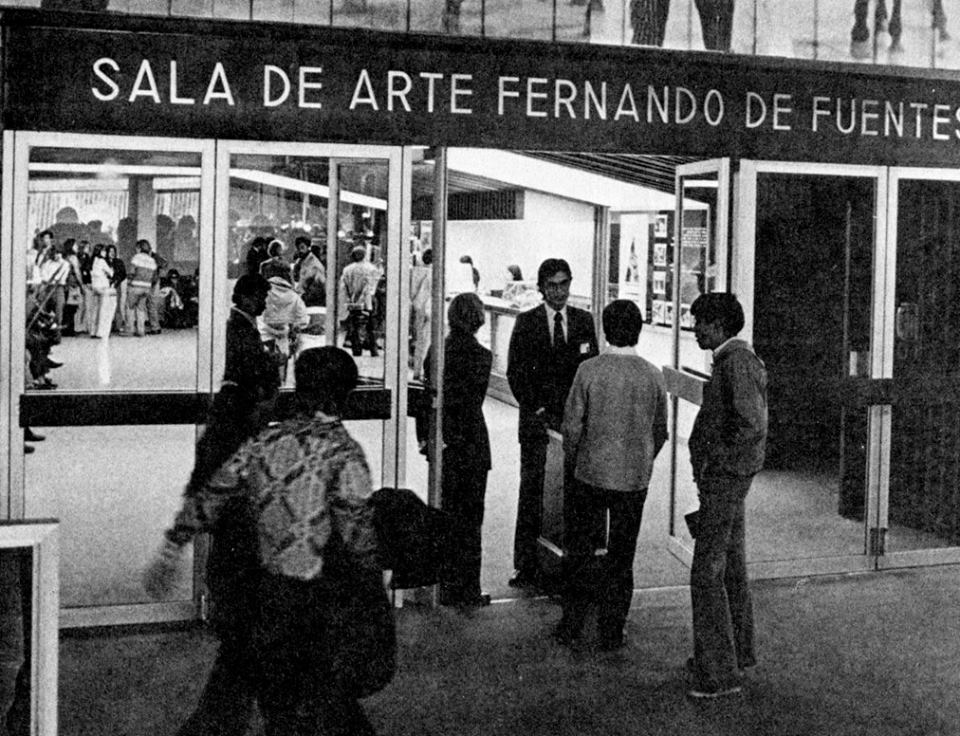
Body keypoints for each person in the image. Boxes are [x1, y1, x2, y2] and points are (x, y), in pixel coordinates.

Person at [146, 347, 386, 736]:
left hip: (262, 594)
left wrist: (172, 546)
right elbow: (357, 533)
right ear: (347, 394)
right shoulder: (343, 454)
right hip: (313, 604)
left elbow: (211, 495)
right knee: (316, 708)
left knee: (252, 698)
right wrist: (373, 584)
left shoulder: (264, 442)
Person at [144, 273, 280, 736]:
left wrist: (176, 540)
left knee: (239, 671)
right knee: (246, 671)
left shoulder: (242, 428)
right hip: (253, 565)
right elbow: (215, 483)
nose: (263, 302)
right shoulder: (246, 429)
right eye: (259, 295)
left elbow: (211, 487)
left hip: (242, 565)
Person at [557, 300, 668, 650]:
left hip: (589, 473)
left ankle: (572, 623)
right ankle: (612, 630)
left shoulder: (588, 370)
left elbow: (572, 427)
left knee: (581, 551)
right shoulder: (653, 374)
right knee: (622, 557)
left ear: (605, 329)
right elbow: (661, 430)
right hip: (633, 479)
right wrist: (643, 459)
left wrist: (575, 461)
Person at [685, 292, 768, 699]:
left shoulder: (736, 363)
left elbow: (751, 424)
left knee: (705, 574)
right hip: (727, 479)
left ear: (719, 325)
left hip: (725, 480)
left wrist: (714, 461)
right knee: (730, 567)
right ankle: (733, 653)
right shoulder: (731, 361)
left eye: (700, 322)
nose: (695, 328)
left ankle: (716, 672)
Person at [506, 258, 598, 589]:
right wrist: (539, 409)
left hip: (573, 423)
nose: (559, 291)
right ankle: (525, 564)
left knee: (573, 492)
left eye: (564, 284)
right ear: (542, 287)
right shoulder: (527, 322)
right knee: (532, 489)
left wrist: (579, 414)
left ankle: (568, 565)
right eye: (553, 285)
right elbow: (516, 372)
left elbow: (591, 371)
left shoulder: (584, 321)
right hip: (536, 420)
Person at [422, 292, 493, 608]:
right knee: (471, 517)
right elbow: (472, 402)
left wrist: (426, 437)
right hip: (472, 442)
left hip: (444, 438)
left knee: (445, 511)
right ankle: (468, 588)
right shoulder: (482, 356)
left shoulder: (437, 350)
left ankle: (444, 583)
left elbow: (428, 397)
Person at [338, 245, 380, 357]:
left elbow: (343, 288)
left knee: (354, 326)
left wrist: (349, 301)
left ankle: (356, 350)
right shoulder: (372, 269)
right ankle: (373, 349)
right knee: (371, 326)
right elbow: (371, 288)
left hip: (353, 302)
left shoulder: (347, 269)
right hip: (369, 302)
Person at [409, 248, 432, 382]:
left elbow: (414, 295)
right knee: (427, 341)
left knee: (420, 341)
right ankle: (423, 371)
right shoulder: (434, 273)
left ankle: (418, 371)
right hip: (429, 309)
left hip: (419, 308)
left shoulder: (415, 271)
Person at [127, 239, 157, 337]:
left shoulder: (136, 257)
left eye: (136, 248)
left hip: (135, 286)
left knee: (130, 307)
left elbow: (131, 272)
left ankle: (130, 330)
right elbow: (154, 277)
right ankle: (141, 331)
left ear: (139, 248)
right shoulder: (152, 260)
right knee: (141, 309)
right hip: (146, 288)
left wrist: (129, 283)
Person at [89, 244, 115, 339]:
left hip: (94, 286)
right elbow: (111, 273)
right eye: (104, 251)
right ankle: (101, 332)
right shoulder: (102, 261)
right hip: (103, 286)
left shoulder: (93, 260)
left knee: (95, 309)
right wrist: (110, 270)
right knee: (103, 310)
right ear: (100, 251)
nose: (105, 253)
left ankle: (93, 331)